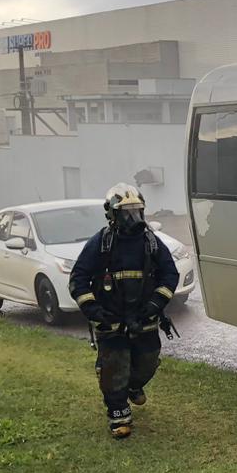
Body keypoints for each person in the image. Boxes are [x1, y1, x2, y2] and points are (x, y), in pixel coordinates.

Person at [69, 184, 179, 439]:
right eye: (127, 213)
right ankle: (119, 415)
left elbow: (169, 274)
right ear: (112, 215)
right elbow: (78, 278)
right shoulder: (101, 243)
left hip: (144, 317)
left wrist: (154, 305)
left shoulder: (151, 242)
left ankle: (133, 386)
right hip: (111, 318)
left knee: (148, 361)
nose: (133, 219)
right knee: (115, 366)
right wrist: (94, 310)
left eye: (137, 212)